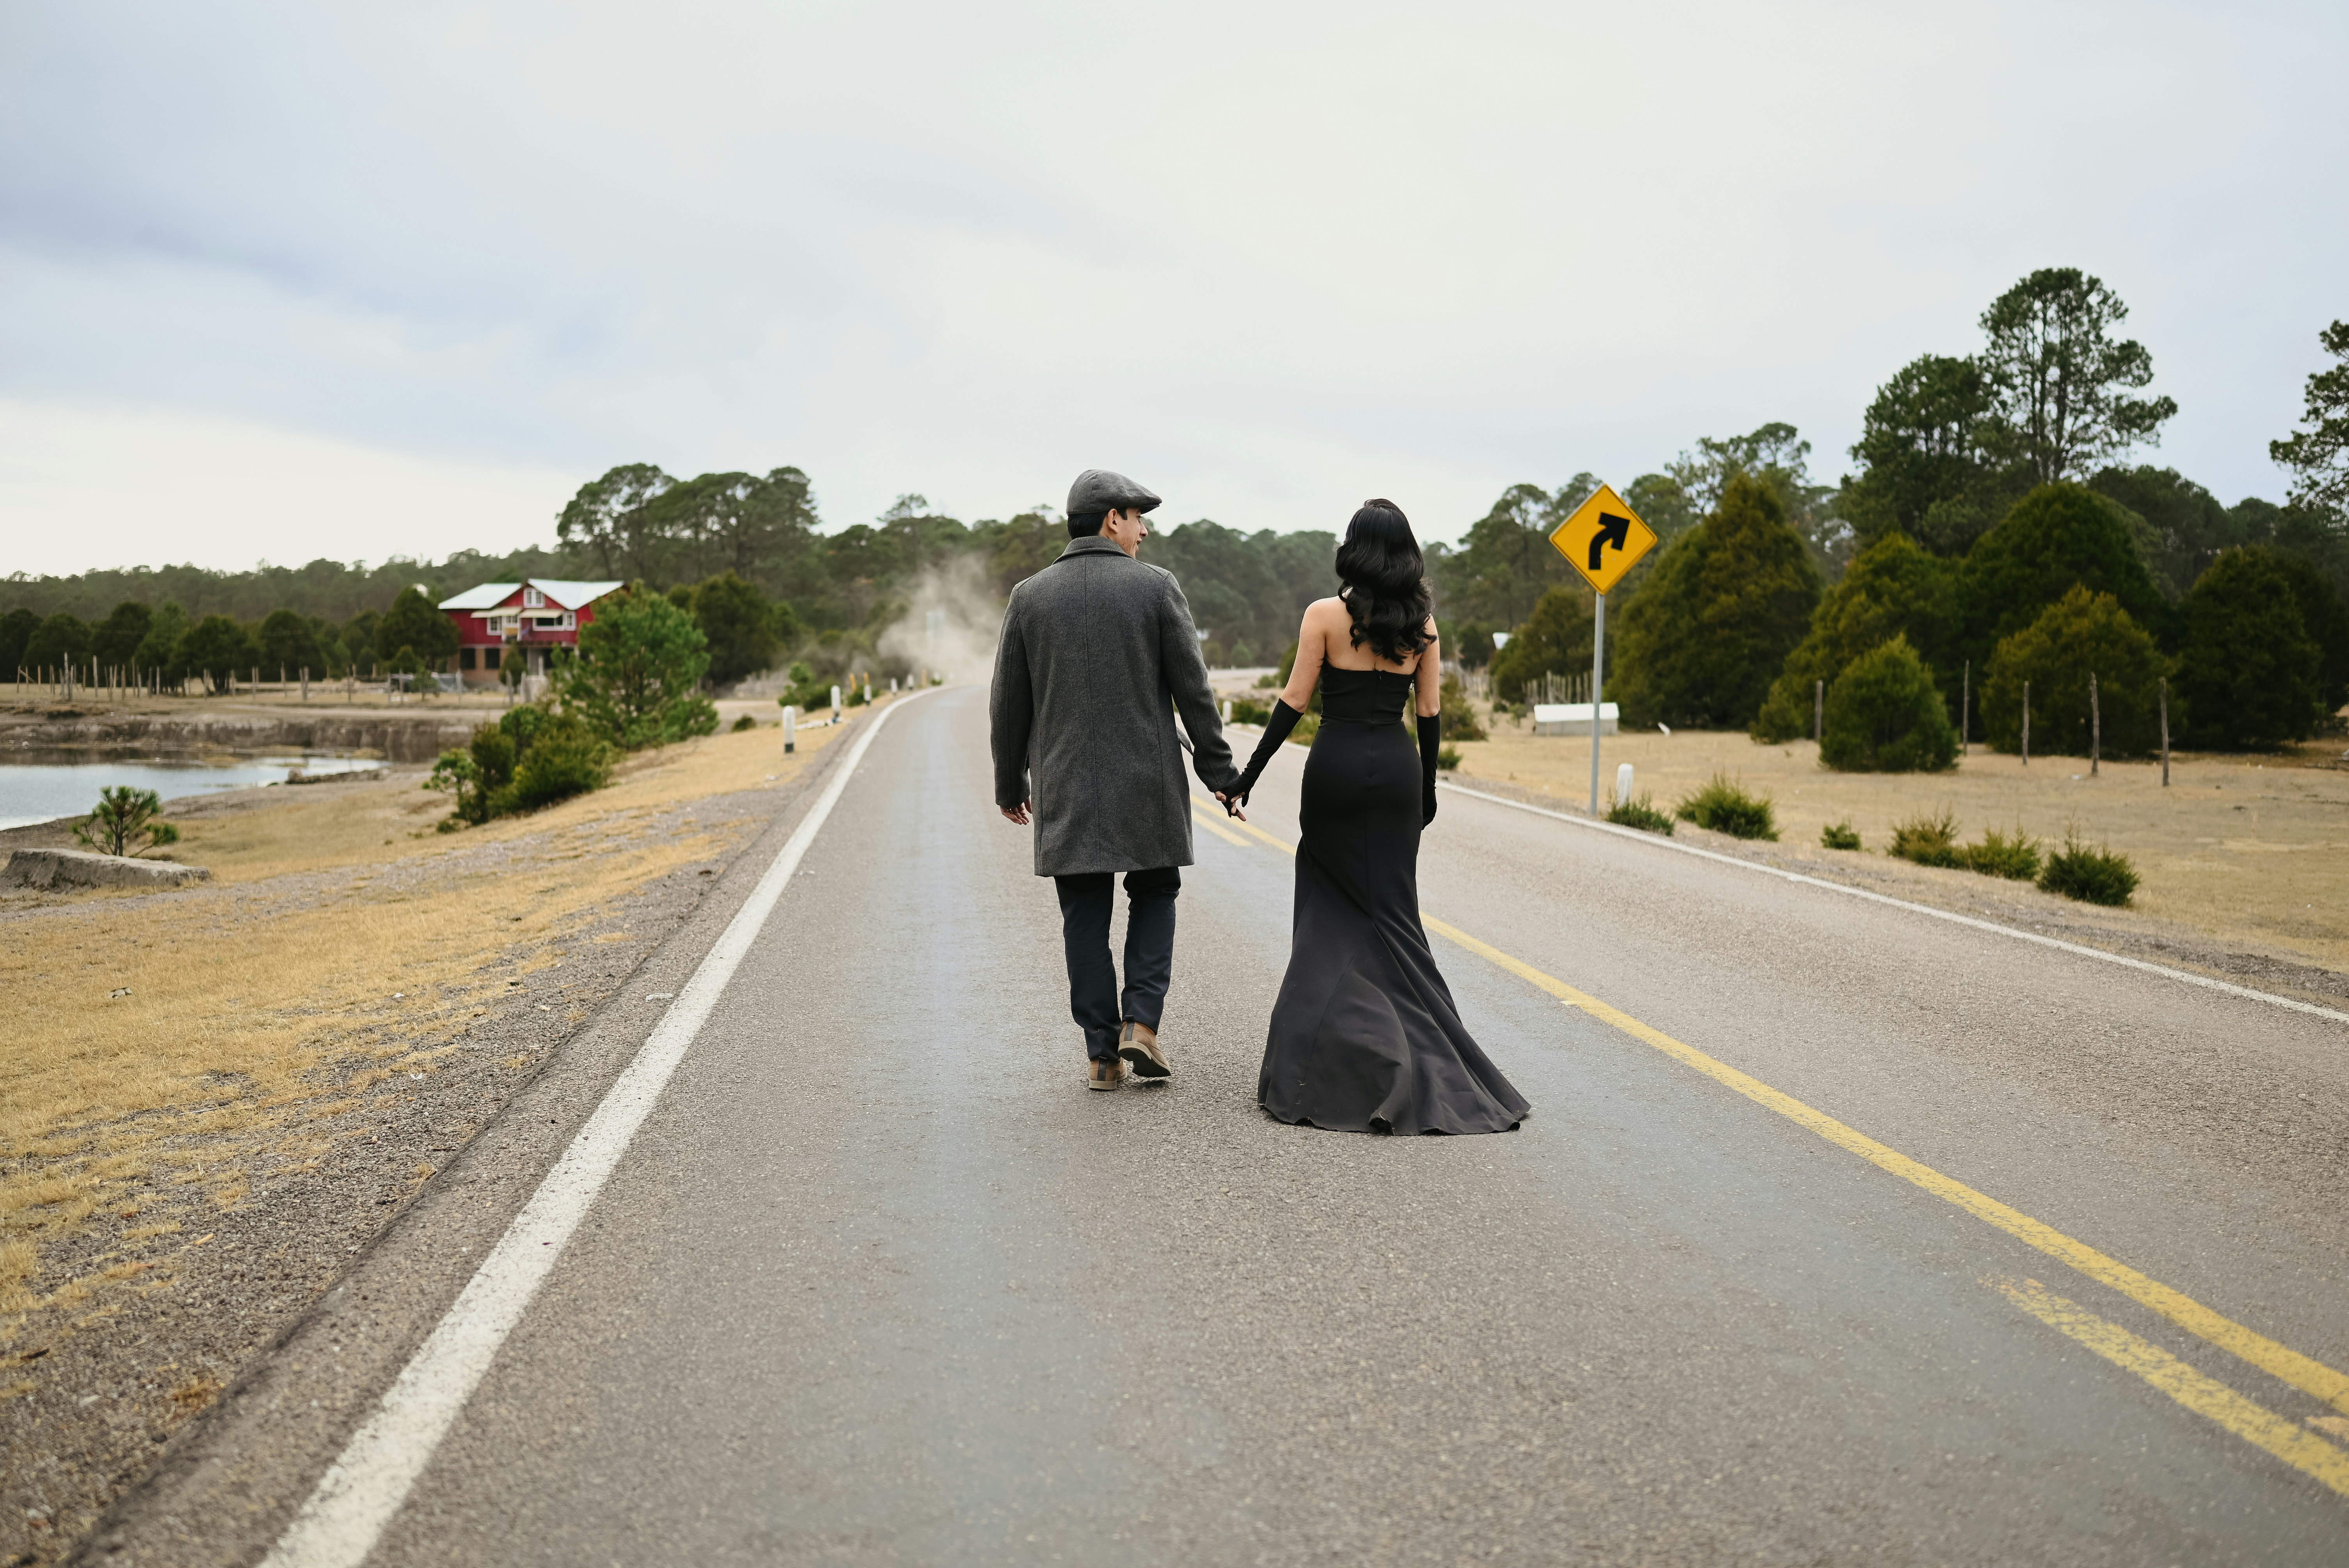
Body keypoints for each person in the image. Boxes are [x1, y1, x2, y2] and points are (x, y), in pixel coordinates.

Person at [1221, 499, 1529, 1134]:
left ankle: (1315, 1069)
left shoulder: (1325, 616)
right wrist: (1429, 788)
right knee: (1394, 917)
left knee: (1327, 918)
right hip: (1396, 771)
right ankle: (1431, 1057)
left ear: (1354, 549)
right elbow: (1431, 713)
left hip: (1333, 770)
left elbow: (1293, 703)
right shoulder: (1425, 626)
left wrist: (1245, 779)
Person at [991, 468, 1240, 1091]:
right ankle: (1142, 1026)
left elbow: (1008, 706)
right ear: (1111, 520)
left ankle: (1102, 1055)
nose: (1144, 531)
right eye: (1137, 518)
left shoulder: (1029, 596)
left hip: (1067, 785)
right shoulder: (1156, 589)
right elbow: (1195, 692)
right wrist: (1220, 771)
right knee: (1155, 893)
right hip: (1147, 782)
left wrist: (1009, 782)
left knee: (1084, 914)